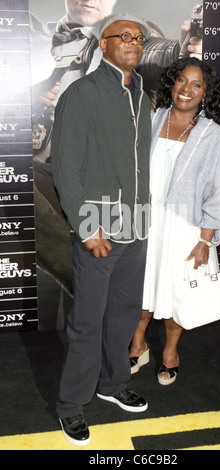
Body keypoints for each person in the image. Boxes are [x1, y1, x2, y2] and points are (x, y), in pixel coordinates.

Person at [30, 0, 203, 294]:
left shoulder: (132, 35)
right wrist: (26, 98)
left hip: (113, 180)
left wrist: (187, 51)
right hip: (52, 171)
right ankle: (98, 285)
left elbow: (160, 53)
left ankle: (101, 286)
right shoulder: (34, 38)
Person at [51, 13, 152, 446]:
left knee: (123, 317)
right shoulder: (81, 93)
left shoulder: (144, 96)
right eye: (123, 36)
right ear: (104, 45)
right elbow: (65, 168)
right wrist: (86, 228)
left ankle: (111, 385)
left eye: (139, 38)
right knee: (88, 322)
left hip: (137, 228)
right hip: (99, 232)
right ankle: (71, 405)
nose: (133, 42)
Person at [129, 57, 220, 386]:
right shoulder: (149, 120)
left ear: (206, 93)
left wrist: (205, 242)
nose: (186, 90)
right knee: (142, 289)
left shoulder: (213, 136)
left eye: (196, 85)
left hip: (186, 229)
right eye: (181, 81)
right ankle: (138, 343)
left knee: (178, 292)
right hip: (146, 223)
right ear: (171, 83)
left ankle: (170, 352)